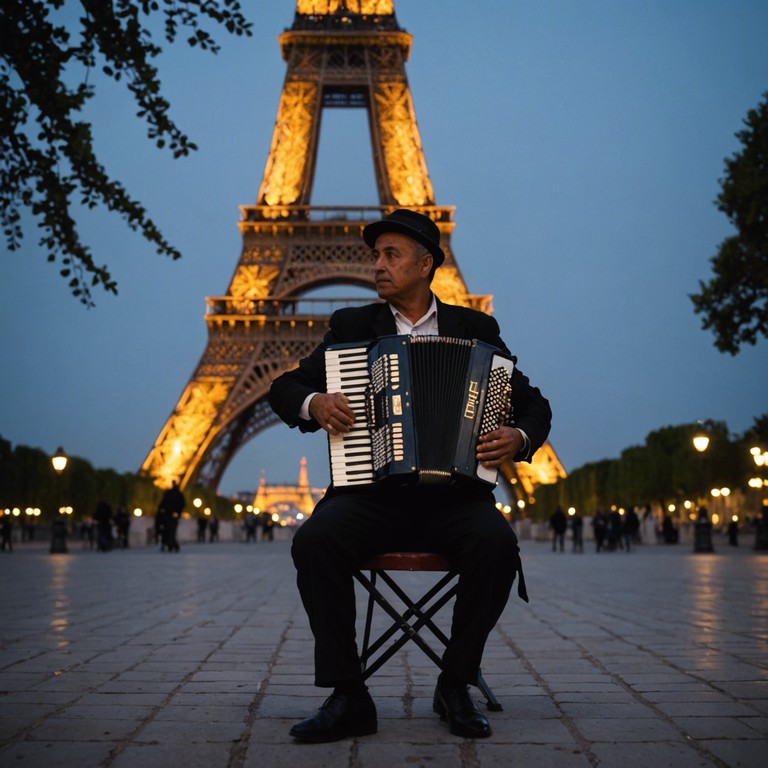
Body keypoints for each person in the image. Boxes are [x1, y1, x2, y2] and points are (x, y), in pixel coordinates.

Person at [269, 209, 552, 743]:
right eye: (375, 255)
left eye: (390, 255)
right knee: (315, 541)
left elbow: (533, 404)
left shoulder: (476, 329)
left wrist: (519, 437)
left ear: (425, 265)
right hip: (371, 495)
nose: (377, 264)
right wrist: (315, 401)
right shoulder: (352, 328)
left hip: (454, 501)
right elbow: (284, 388)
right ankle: (348, 694)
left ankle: (454, 682)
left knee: (497, 545)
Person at [158, 481, 185, 552]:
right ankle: (172, 544)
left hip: (168, 516)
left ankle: (170, 544)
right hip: (172, 516)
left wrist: (162, 511)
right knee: (171, 531)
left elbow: (162, 503)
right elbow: (182, 504)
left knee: (168, 531)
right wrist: (178, 513)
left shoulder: (168, 493)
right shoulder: (179, 494)